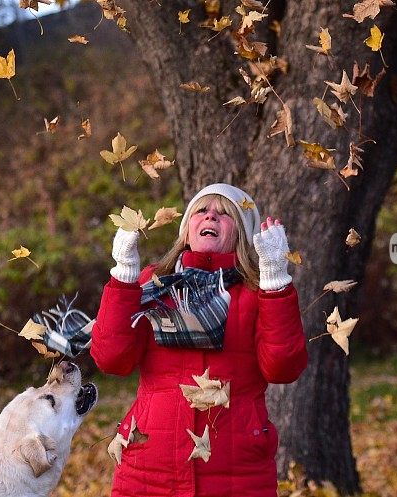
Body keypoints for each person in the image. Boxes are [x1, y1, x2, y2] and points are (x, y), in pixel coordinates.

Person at [90, 183, 307, 497]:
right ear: (187, 230)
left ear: (241, 232)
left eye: (224, 214)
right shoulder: (152, 284)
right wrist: (124, 276)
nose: (211, 217)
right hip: (149, 470)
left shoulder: (256, 292)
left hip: (237, 471)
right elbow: (112, 359)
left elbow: (283, 368)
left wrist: (275, 282)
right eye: (202, 211)